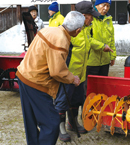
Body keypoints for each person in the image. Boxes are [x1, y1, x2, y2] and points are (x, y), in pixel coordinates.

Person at [16, 11, 85, 145]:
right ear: (78, 30)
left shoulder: (49, 30)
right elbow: (57, 71)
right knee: (52, 123)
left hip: (23, 75)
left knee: (30, 120)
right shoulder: (61, 40)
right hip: (35, 82)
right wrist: (72, 78)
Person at [54, 1, 101, 142]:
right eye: (91, 16)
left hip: (80, 75)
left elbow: (89, 42)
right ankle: (60, 127)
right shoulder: (69, 30)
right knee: (62, 101)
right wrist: (65, 74)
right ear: (84, 16)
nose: (92, 19)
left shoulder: (85, 29)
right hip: (67, 75)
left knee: (77, 100)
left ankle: (72, 123)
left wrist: (102, 46)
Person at [86, 0, 116, 79]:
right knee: (90, 88)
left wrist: (113, 56)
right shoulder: (90, 18)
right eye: (104, 5)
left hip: (105, 61)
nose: (106, 8)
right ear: (97, 5)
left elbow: (111, 39)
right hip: (91, 61)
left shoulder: (108, 19)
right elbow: (88, 38)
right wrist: (102, 46)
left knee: (102, 87)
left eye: (108, 6)